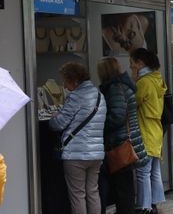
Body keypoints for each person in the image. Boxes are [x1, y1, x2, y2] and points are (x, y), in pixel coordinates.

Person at [49, 62, 107, 214]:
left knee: (77, 195)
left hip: (76, 154)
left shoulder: (75, 97)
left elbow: (59, 124)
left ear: (74, 80)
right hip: (97, 153)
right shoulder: (100, 96)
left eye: (65, 81)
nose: (64, 86)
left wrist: (53, 118)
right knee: (93, 192)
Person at [97, 57, 149, 214]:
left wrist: (100, 125)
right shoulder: (124, 85)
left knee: (122, 189)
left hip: (120, 143)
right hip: (128, 140)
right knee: (124, 187)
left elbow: (117, 116)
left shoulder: (114, 88)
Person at [130, 48, 167, 214]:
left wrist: (133, 80)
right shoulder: (157, 80)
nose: (131, 66)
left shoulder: (143, 82)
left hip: (145, 130)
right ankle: (154, 204)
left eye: (133, 63)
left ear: (140, 63)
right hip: (156, 130)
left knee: (143, 172)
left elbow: (132, 102)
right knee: (154, 171)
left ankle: (144, 207)